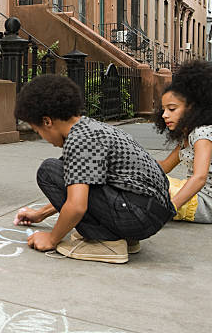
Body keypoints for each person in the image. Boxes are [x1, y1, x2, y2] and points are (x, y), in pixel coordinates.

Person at [13, 74, 176, 264]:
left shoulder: (79, 139)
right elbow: (80, 184)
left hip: (136, 215)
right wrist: (40, 214)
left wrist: (51, 239)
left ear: (47, 121)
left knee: (49, 171)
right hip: (147, 216)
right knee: (62, 169)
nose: (42, 136)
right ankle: (126, 239)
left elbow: (76, 205)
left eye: (37, 130)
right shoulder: (90, 128)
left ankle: (108, 243)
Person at [154, 61, 212, 223]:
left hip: (209, 204)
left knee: (145, 193)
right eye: (164, 109)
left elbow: (199, 178)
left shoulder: (203, 133)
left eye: (172, 109)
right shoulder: (188, 136)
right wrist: (135, 164)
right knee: (147, 184)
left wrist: (171, 207)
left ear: (192, 108)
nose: (164, 115)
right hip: (197, 196)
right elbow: (165, 167)